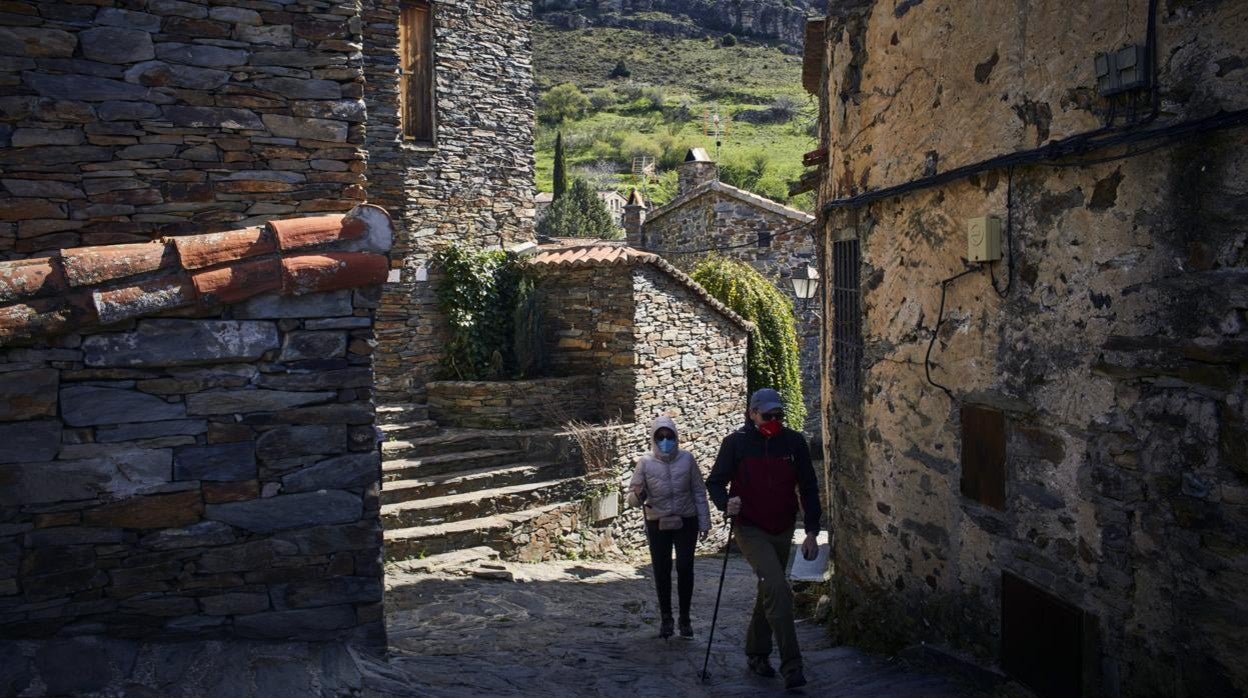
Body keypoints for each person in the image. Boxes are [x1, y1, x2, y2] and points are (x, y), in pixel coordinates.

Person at [706, 388, 821, 690]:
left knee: (769, 591)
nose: (773, 420)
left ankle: (757, 653)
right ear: (752, 414)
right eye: (767, 415)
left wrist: (811, 531)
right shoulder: (737, 444)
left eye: (778, 415)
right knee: (777, 587)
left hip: (783, 527)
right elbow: (715, 481)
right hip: (750, 527)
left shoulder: (794, 443)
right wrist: (724, 503)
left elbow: (808, 486)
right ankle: (792, 665)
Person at [627, 415, 711, 639]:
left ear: (676, 437)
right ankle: (666, 618)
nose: (665, 440)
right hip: (657, 521)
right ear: (654, 438)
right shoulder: (645, 463)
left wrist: (704, 522)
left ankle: (685, 618)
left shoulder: (687, 459)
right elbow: (632, 497)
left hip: (686, 520)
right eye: (661, 437)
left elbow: (698, 491)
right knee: (661, 570)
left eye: (669, 436)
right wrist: (637, 496)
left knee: (685, 567)